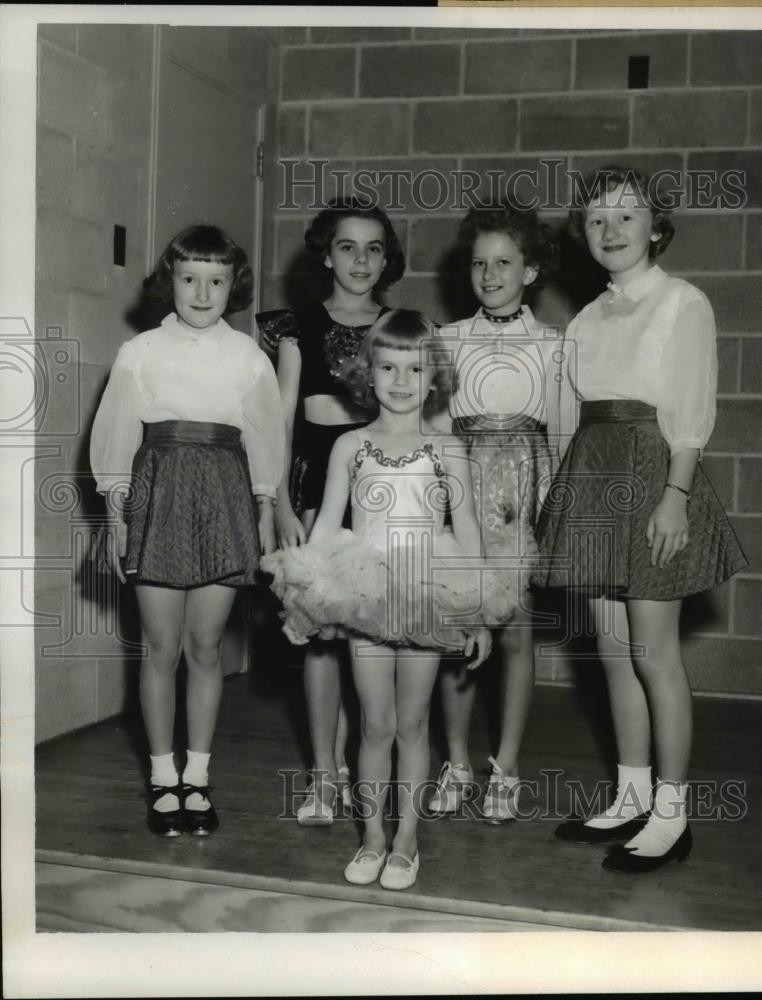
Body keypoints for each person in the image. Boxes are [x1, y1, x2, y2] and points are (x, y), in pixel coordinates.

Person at [535, 166, 748, 872]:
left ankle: (670, 811)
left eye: (625, 217)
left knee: (653, 654)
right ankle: (628, 795)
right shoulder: (589, 317)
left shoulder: (681, 302)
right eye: (596, 220)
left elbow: (689, 412)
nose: (610, 230)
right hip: (594, 477)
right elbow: (574, 415)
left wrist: (674, 498)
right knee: (611, 650)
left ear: (655, 227)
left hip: (653, 479)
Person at [265, 310, 512, 890]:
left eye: (414, 369)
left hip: (428, 588)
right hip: (367, 589)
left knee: (411, 723)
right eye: (388, 368)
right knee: (373, 725)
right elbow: (327, 524)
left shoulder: (447, 448)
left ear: (433, 380)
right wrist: (313, 594)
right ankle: (373, 836)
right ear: (367, 374)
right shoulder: (351, 446)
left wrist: (478, 610)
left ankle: (407, 840)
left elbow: (469, 530)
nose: (401, 381)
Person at [90, 224, 283, 837]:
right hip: (158, 497)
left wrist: (265, 516)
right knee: (160, 648)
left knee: (205, 649)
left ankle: (197, 778)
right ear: (169, 281)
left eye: (217, 280)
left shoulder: (249, 358)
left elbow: (265, 445)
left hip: (223, 499)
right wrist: (118, 521)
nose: (202, 292)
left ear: (234, 285)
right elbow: (118, 439)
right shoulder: (139, 352)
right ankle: (162, 779)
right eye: (189, 278)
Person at [256, 198, 405, 825]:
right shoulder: (299, 327)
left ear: (387, 258)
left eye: (374, 248)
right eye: (348, 246)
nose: (361, 260)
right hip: (314, 495)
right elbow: (281, 423)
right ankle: (324, 773)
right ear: (326, 253)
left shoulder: (401, 324)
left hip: (381, 499)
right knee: (320, 639)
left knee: (366, 636)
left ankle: (361, 768)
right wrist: (281, 505)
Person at [430, 205, 574, 824]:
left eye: (504, 263)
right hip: (460, 493)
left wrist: (552, 513)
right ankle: (456, 763)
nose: (489, 275)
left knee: (515, 634)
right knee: (459, 632)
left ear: (531, 269)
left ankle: (505, 767)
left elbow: (564, 437)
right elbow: (435, 431)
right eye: (479, 263)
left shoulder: (553, 344)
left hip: (524, 496)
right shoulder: (447, 338)